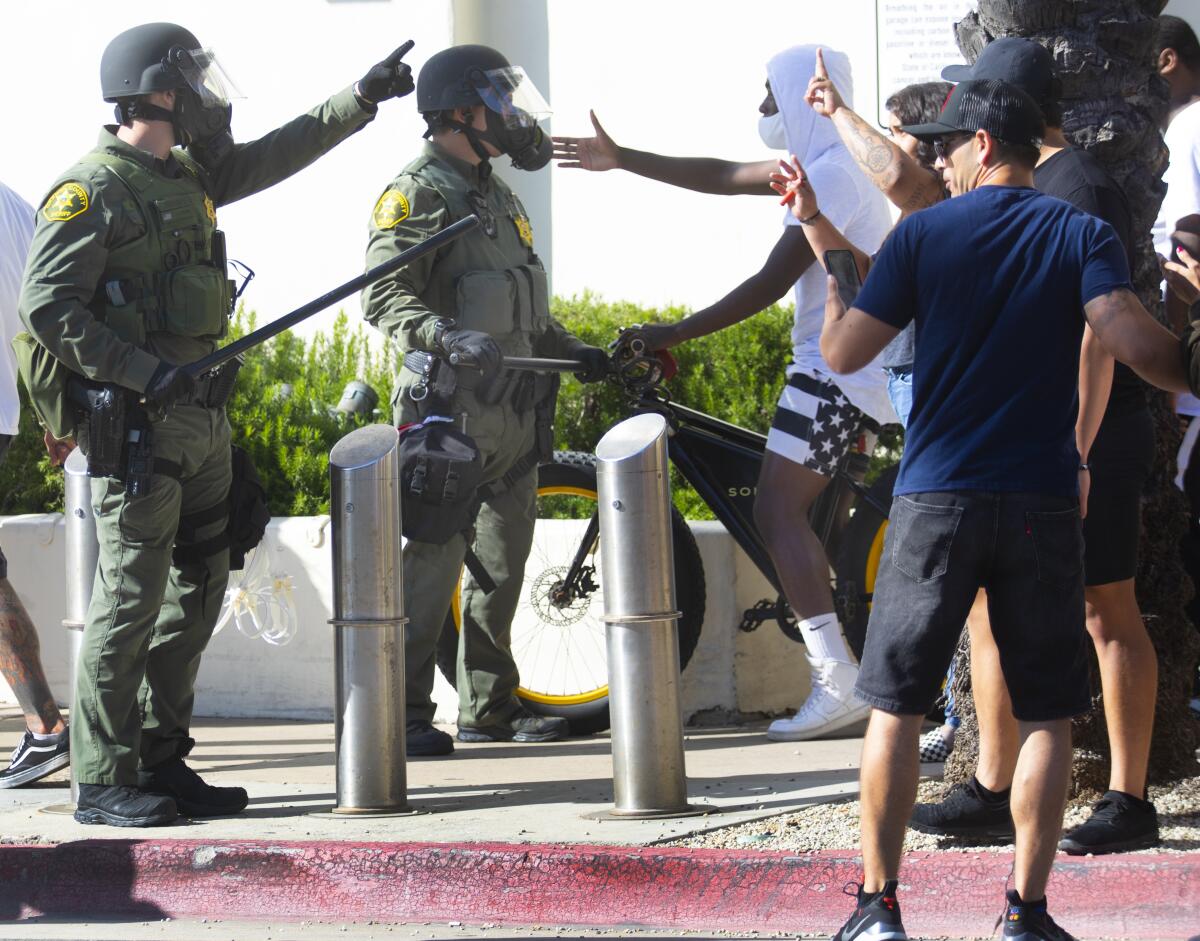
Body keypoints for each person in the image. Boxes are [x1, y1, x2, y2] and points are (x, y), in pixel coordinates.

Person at [797, 78, 1188, 941]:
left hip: (936, 497)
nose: (936, 160)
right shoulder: (1082, 232)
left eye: (945, 147)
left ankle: (878, 908)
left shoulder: (925, 233)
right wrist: (1191, 352)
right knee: (1048, 710)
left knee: (896, 706)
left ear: (984, 141)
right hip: (1042, 500)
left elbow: (842, 349)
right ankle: (1025, 912)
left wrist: (829, 262)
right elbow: (1131, 342)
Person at [19, 22, 416, 827]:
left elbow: (275, 153)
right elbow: (46, 308)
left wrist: (360, 98)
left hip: (202, 421)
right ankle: (99, 777)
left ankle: (160, 758)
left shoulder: (190, 176)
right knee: (128, 599)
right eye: (193, 79)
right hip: (137, 427)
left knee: (199, 590)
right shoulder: (91, 188)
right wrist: (140, 371)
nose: (208, 92)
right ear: (159, 91)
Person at [553, 46, 894, 741]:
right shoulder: (827, 161)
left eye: (771, 96)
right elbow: (723, 174)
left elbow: (770, 282)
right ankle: (846, 660)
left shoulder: (832, 174)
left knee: (777, 509)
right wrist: (622, 157)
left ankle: (839, 679)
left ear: (804, 96)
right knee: (802, 514)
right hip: (840, 364)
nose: (763, 109)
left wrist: (670, 331)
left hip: (833, 372)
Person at [902, 37, 1160, 857]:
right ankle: (992, 783)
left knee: (1105, 608)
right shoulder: (1029, 183)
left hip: (1095, 434)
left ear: (999, 110)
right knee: (989, 609)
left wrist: (1076, 449)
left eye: (968, 100)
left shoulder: (1077, 186)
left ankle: (1128, 798)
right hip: (1041, 440)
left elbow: (1097, 337)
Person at [362, 44, 609, 757]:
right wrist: (442, 333)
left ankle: (489, 707)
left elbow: (521, 304)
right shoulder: (419, 192)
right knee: (433, 560)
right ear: (462, 113)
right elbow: (383, 293)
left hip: (512, 413)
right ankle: (404, 713)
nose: (513, 113)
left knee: (504, 564)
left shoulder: (496, 193)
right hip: (450, 413)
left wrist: (572, 347)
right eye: (498, 100)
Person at [776, 60, 958, 760]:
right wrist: (814, 218)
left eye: (895, 138)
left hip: (953, 442)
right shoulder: (917, 228)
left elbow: (847, 347)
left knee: (950, 586)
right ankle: (953, 714)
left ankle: (953, 719)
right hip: (932, 433)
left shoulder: (938, 209)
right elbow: (868, 279)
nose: (877, 153)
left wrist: (834, 112)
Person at [0, 180, 71, 789]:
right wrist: (56, 415)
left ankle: (46, 728)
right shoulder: (14, 208)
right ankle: (45, 727)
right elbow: (43, 313)